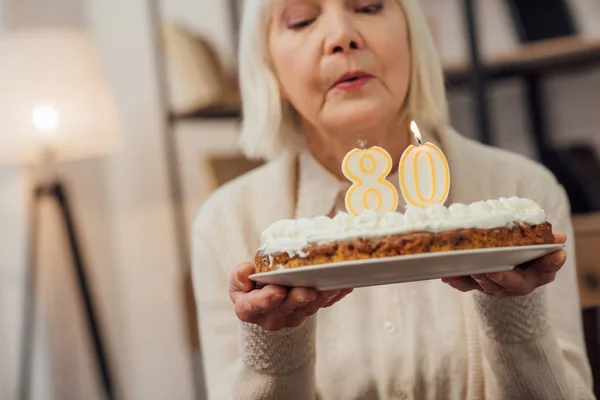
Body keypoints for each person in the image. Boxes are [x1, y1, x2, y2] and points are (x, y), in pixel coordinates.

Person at [191, 0, 595, 398]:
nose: (342, 37)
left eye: (368, 7)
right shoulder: (227, 223)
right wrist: (274, 349)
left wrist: (514, 311)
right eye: (302, 20)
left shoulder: (525, 193)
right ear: (268, 67)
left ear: (412, 37)